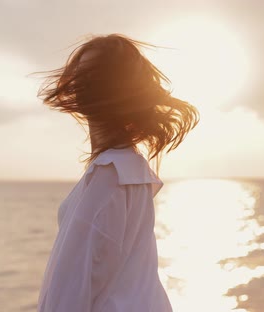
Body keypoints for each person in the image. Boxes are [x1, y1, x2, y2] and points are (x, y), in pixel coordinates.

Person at [36, 33, 199, 312]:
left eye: (94, 75)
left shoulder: (110, 174)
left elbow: (69, 290)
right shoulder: (131, 168)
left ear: (117, 90)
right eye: (81, 73)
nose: (82, 83)